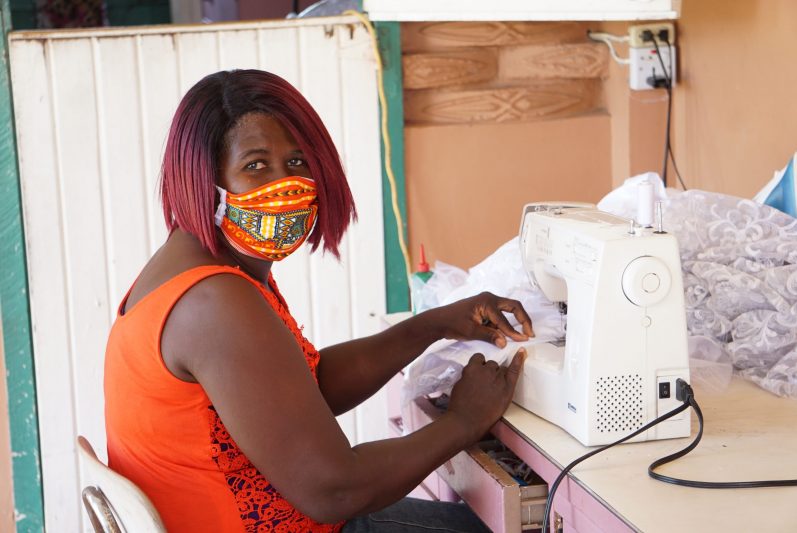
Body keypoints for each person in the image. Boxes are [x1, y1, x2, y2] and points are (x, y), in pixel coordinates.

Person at [104, 69, 533, 533]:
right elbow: (335, 490)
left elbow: (302, 394)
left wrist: (432, 325)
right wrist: (465, 421)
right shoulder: (213, 301)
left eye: (298, 163)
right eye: (255, 166)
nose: (287, 186)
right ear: (203, 179)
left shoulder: (196, 271)